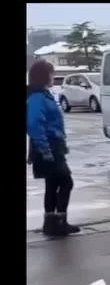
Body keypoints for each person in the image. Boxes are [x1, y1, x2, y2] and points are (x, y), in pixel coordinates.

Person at [27, 60, 79, 237]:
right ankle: (57, 222)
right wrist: (45, 149)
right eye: (51, 73)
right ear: (43, 76)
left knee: (53, 183)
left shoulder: (44, 94)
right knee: (66, 182)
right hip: (48, 146)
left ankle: (52, 223)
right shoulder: (37, 97)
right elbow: (34, 124)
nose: (53, 76)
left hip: (53, 145)